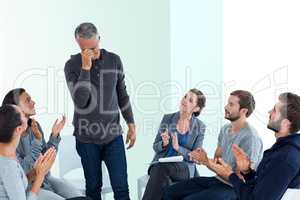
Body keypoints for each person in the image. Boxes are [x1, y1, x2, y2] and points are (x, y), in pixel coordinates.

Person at [64, 22, 136, 200]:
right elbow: (81, 101)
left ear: (99, 39)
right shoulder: (72, 65)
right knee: (93, 188)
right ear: (78, 43)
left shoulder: (114, 60)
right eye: (85, 50)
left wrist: (131, 123)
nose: (91, 53)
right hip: (86, 138)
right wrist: (85, 68)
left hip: (113, 135)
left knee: (121, 188)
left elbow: (122, 94)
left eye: (94, 47)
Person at [163, 90, 263, 200]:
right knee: (169, 192)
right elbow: (217, 163)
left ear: (243, 111)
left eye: (231, 105)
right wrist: (203, 159)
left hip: (235, 189)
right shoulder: (225, 129)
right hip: (218, 180)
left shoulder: (250, 138)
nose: (225, 107)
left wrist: (206, 162)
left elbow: (241, 180)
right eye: (227, 103)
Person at [205, 92, 300, 200]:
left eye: (274, 110)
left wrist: (230, 175)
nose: (269, 112)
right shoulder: (282, 149)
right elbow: (260, 188)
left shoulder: (285, 158)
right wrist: (247, 172)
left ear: (286, 123)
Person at [2, 88, 82, 200]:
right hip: (29, 186)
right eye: (27, 100)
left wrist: (54, 136)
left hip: (45, 178)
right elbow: (23, 172)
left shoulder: (34, 127)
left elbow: (44, 158)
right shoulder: (10, 139)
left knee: (79, 197)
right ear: (15, 108)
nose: (33, 102)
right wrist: (37, 141)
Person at [142, 89, 206, 200]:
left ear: (196, 108)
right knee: (163, 181)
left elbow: (196, 157)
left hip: (183, 168)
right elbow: (155, 146)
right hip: (162, 163)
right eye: (185, 96)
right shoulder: (167, 118)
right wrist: (164, 144)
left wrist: (178, 148)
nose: (185, 100)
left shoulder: (200, 127)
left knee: (160, 171)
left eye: (190, 100)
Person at [0, 104, 56, 200]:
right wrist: (40, 176)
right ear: (19, 129)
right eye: (23, 114)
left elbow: (16, 184)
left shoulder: (7, 155)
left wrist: (34, 172)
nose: (26, 116)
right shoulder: (8, 166)